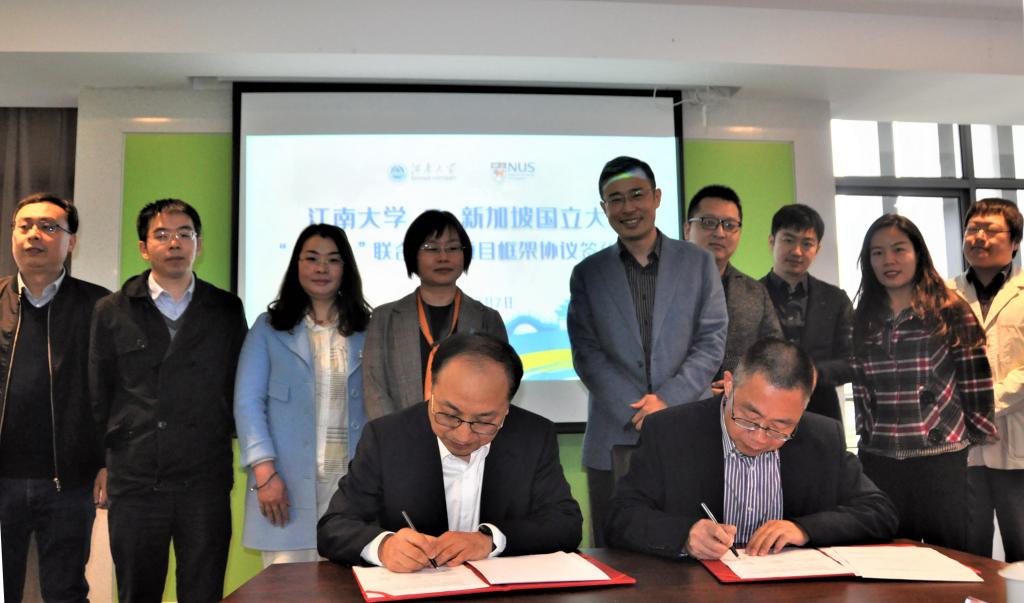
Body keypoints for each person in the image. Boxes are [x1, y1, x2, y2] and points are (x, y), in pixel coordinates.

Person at [606, 338, 897, 559]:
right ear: (729, 385)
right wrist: (685, 535)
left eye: (780, 427)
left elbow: (879, 511)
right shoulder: (670, 431)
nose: (759, 438)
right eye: (748, 417)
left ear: (802, 409)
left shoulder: (821, 437)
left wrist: (804, 529)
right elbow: (620, 517)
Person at [89, 198, 248, 603]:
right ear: (144, 248)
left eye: (184, 234)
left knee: (203, 592)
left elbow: (240, 386)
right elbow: (98, 392)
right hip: (136, 478)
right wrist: (100, 463)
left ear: (199, 244)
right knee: (137, 593)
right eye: (162, 234)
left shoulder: (225, 309)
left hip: (204, 479)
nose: (174, 242)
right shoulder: (112, 310)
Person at [317, 333, 582, 571]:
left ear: (506, 409)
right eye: (449, 415)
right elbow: (334, 527)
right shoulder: (386, 437)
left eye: (484, 421)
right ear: (431, 390)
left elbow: (565, 524)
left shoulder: (533, 436)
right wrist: (383, 546)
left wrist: (490, 540)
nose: (463, 435)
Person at [567, 156, 727, 547]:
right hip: (614, 437)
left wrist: (668, 401)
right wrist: (638, 409)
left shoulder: (699, 262)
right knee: (614, 547)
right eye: (615, 199)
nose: (628, 207)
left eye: (637, 194)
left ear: (656, 197)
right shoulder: (588, 273)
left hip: (689, 430)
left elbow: (711, 339)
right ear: (604, 208)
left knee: (694, 547)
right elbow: (586, 353)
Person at [852, 213, 996, 551]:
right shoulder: (862, 316)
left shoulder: (950, 309)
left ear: (918, 253)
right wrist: (866, 433)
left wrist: (977, 431)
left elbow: (975, 378)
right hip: (880, 458)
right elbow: (860, 385)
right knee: (889, 560)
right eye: (877, 253)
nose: (888, 260)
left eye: (899, 249)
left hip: (939, 458)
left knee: (948, 559)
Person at [234, 224, 372, 566]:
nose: (322, 268)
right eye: (312, 258)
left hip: (351, 487)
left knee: (346, 583)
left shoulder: (368, 329)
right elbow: (248, 403)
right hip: (285, 483)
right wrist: (265, 474)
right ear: (297, 265)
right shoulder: (268, 328)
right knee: (286, 584)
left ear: (346, 268)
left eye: (333, 260)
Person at [0, 193, 109, 603]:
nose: (34, 235)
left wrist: (108, 460)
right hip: (2, 479)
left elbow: (116, 392)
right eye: (25, 226)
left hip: (70, 481)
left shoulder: (101, 307)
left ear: (71, 241)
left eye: (49, 227)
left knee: (65, 591)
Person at [363, 210, 507, 420]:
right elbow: (374, 388)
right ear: (413, 255)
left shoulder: (487, 319)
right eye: (431, 248)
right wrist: (396, 434)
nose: (443, 257)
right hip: (400, 435)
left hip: (469, 435)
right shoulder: (384, 319)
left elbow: (499, 387)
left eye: (453, 248)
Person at [949, 198, 1024, 562]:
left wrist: (984, 402)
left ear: (1015, 242)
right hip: (962, 445)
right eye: (972, 229)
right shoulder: (944, 295)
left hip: (1017, 443)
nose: (979, 237)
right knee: (968, 549)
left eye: (991, 230)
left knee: (1022, 546)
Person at [761, 204, 853, 422]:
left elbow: (853, 361)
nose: (797, 251)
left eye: (807, 243)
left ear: (817, 249)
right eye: (788, 240)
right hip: (762, 412)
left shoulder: (836, 299)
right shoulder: (750, 295)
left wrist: (814, 373)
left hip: (822, 412)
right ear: (772, 241)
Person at [683, 184, 781, 388]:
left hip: (737, 401)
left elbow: (773, 351)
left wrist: (740, 385)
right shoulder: (663, 285)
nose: (720, 233)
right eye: (709, 222)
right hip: (677, 401)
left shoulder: (755, 291)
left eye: (729, 225)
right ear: (687, 230)